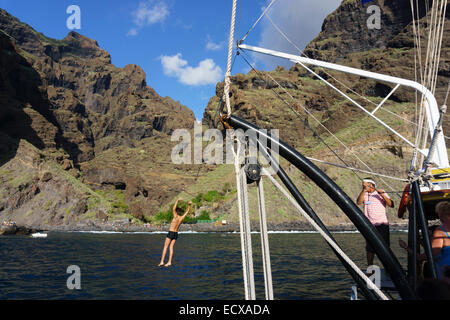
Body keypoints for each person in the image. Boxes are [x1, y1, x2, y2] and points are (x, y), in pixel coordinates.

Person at [357, 178, 394, 266]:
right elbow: (358, 202)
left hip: (382, 224)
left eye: (364, 185)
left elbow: (391, 205)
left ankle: (388, 267)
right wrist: (364, 190)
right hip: (370, 225)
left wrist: (383, 195)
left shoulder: (381, 192)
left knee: (385, 247)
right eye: (363, 185)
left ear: (371, 185)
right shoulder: (364, 194)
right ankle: (370, 269)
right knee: (370, 248)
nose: (363, 186)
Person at [158, 199, 192, 267]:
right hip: (176, 234)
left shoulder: (175, 216)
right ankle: (169, 262)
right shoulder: (181, 218)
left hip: (171, 232)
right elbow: (187, 211)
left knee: (165, 247)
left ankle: (162, 261)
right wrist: (189, 205)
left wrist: (177, 200)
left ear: (176, 212)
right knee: (171, 247)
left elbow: (173, 208)